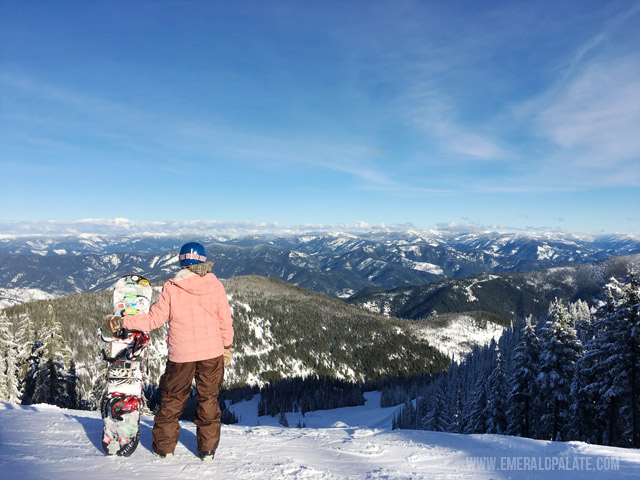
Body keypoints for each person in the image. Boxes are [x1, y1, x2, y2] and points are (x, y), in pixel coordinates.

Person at [104, 242, 234, 462]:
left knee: (172, 401)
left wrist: (124, 321)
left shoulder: (172, 287)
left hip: (181, 355)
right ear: (203, 260)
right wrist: (227, 346)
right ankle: (207, 451)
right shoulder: (215, 285)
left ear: (181, 260)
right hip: (212, 353)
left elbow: (154, 320)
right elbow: (225, 320)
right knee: (208, 400)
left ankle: (164, 449)